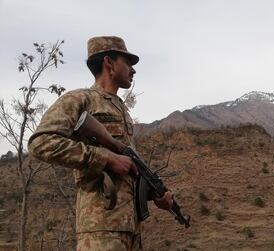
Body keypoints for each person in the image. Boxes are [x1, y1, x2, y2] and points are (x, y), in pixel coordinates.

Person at [28, 36, 173, 250]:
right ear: (109, 63)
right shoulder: (79, 99)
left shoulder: (122, 110)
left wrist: (154, 195)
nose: (133, 70)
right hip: (100, 230)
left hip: (131, 231)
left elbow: (127, 171)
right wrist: (105, 157)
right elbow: (41, 143)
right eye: (128, 63)